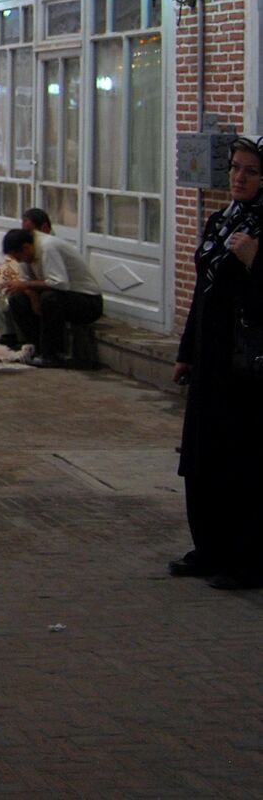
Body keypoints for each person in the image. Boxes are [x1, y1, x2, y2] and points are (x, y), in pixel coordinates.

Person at [170, 136, 263, 590]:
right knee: (201, 456)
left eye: (251, 171)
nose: (239, 178)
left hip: (247, 365)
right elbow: (202, 294)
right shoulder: (221, 221)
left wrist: (255, 262)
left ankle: (246, 560)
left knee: (240, 463)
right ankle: (208, 548)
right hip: (211, 356)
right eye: (235, 168)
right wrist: (187, 352)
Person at [1, 227, 104, 368]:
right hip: (58, 296)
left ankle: (52, 354)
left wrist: (28, 287)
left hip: (87, 301)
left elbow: (60, 283)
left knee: (50, 298)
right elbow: (25, 283)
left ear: (26, 248)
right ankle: (37, 347)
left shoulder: (48, 247)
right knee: (17, 299)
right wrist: (32, 297)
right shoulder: (26, 257)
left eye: (19, 257)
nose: (20, 261)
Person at [0, 228, 39, 350]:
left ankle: (28, 340)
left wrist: (28, 288)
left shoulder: (42, 248)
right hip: (23, 280)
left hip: (38, 286)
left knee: (17, 296)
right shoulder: (19, 248)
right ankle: (8, 333)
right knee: (0, 285)